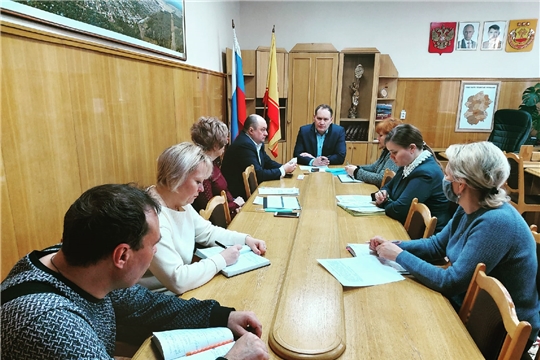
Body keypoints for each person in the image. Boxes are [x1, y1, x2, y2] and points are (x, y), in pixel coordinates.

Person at [0, 183, 269, 360]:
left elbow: (143, 304)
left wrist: (223, 316)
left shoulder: (73, 261)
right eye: (153, 246)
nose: (156, 252)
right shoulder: (54, 326)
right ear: (122, 255)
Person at [369, 141, 540, 358]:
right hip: (475, 309)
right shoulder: (469, 207)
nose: (445, 179)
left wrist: (400, 256)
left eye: (448, 175)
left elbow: (451, 282)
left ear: (462, 184)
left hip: (499, 331)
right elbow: (436, 245)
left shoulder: (496, 222)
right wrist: (394, 245)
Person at [140, 142, 267, 294]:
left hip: (184, 291)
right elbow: (177, 280)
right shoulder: (152, 217)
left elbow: (208, 232)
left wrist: (245, 239)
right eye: (198, 182)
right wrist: (222, 259)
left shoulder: (179, 201)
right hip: (158, 299)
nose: (201, 189)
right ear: (176, 177)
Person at [373, 123, 450, 232]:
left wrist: (384, 202)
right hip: (407, 226)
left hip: (425, 235)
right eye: (390, 152)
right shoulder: (409, 163)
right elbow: (388, 187)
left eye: (394, 152)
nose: (391, 157)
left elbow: (399, 210)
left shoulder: (426, 174)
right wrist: (382, 193)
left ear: (412, 148)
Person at [221, 114, 297, 200]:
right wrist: (283, 170)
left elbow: (267, 162)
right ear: (251, 130)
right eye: (263, 130)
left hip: (251, 191)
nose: (266, 133)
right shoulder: (244, 145)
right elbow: (258, 175)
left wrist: (284, 167)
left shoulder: (256, 142)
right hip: (238, 197)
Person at [191, 116, 244, 219]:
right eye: (224, 138)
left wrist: (234, 206)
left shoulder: (214, 162)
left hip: (230, 212)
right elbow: (210, 210)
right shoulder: (202, 170)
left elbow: (224, 192)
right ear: (215, 145)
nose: (227, 141)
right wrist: (235, 205)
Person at [344, 118, 402, 187]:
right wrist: (357, 167)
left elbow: (381, 179)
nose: (377, 138)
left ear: (391, 136)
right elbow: (374, 167)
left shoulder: (394, 155)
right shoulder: (386, 150)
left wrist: (356, 172)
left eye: (380, 135)